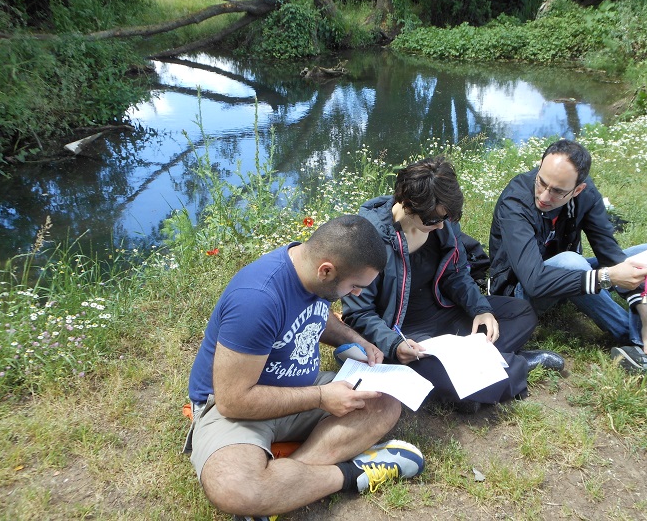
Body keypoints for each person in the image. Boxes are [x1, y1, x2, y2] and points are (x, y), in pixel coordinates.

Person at [185, 215, 425, 520]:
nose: (358, 294)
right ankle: (354, 474)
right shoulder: (256, 300)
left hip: (299, 389)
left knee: (385, 402)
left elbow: (317, 316)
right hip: (234, 407)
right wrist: (322, 397)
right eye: (354, 286)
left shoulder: (311, 272)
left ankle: (281, 485)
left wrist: (357, 340)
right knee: (236, 488)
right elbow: (233, 401)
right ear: (326, 270)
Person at [342, 157, 564, 415]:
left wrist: (480, 309)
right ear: (407, 204)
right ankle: (515, 365)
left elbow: (455, 274)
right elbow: (359, 313)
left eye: (445, 218)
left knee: (521, 313)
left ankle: (471, 378)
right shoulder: (367, 239)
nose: (440, 225)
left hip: (445, 313)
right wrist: (394, 345)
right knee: (434, 371)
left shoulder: (442, 220)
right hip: (405, 332)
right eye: (433, 220)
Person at [488, 139, 647, 395]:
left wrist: (646, 312)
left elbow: (609, 254)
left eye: (558, 191)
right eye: (541, 182)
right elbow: (534, 280)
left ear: (578, 189)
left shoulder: (586, 195)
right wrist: (608, 277)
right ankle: (634, 338)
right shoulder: (515, 201)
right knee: (571, 262)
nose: (544, 196)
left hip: (570, 279)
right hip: (520, 291)